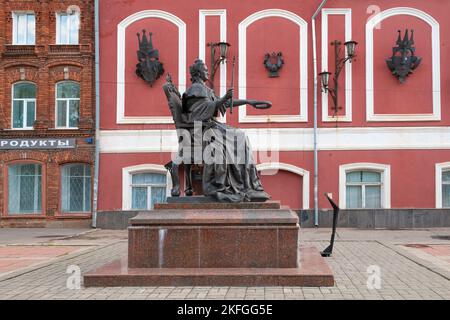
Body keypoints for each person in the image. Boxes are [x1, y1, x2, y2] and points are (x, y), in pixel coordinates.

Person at [181, 59, 271, 203]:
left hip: (212, 127)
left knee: (241, 136)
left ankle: (248, 184)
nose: (208, 72)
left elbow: (224, 103)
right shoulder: (195, 89)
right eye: (205, 69)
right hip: (201, 130)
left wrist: (248, 102)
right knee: (228, 143)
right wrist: (223, 98)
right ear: (198, 73)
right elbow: (203, 109)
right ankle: (224, 185)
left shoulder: (206, 89)